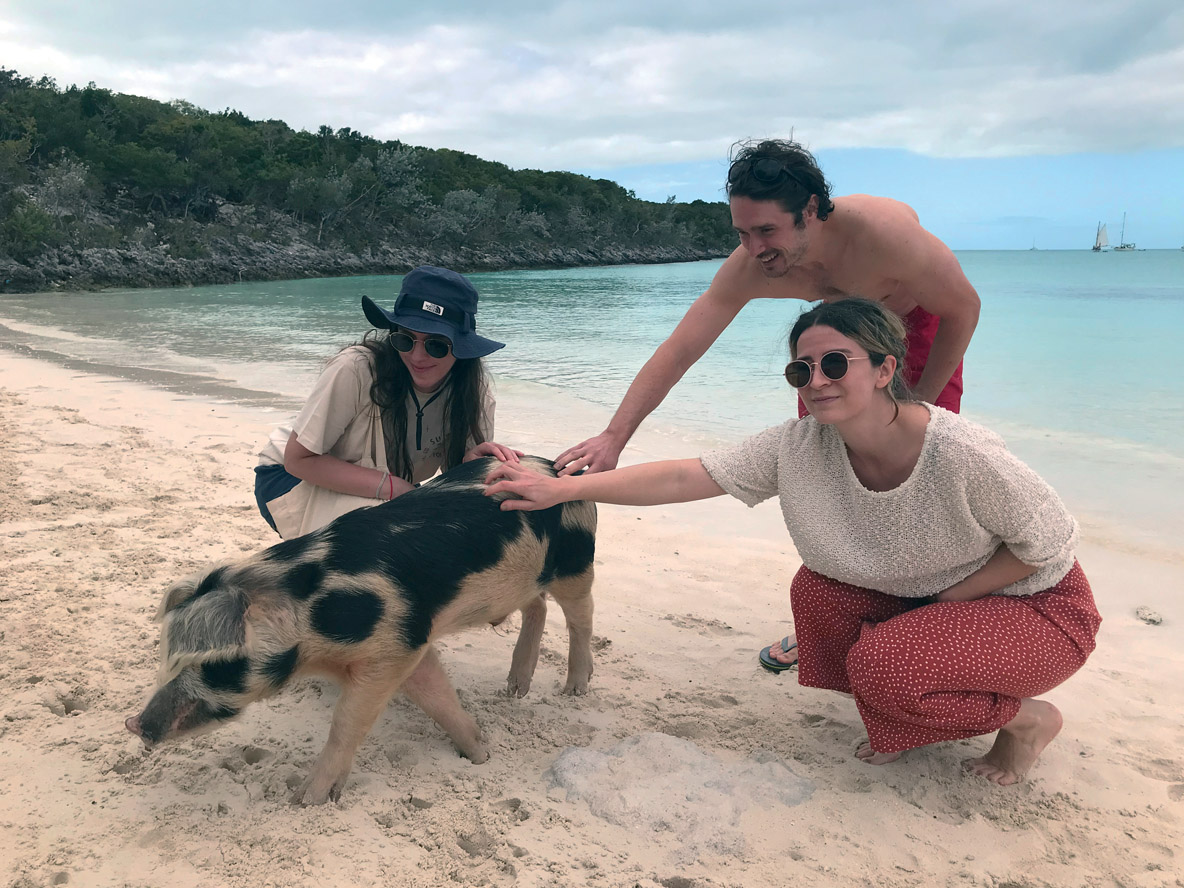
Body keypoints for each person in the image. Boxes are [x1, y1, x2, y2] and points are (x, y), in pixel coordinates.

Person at [488, 298, 1099, 786]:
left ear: (886, 368)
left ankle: (1027, 721)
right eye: (801, 370)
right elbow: (686, 475)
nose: (817, 380)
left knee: (887, 666)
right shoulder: (800, 447)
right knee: (817, 595)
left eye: (837, 363)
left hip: (1038, 607)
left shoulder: (961, 454)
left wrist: (949, 602)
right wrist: (564, 491)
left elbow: (1047, 544)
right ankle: (903, 720)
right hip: (934, 600)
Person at [555, 138, 982, 671]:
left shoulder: (885, 237)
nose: (755, 249)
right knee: (826, 477)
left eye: (766, 232)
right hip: (835, 341)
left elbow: (965, 307)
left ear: (809, 213)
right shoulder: (752, 266)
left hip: (916, 327)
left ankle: (932, 609)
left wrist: (920, 404)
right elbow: (681, 348)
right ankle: (837, 624)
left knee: (924, 473)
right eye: (742, 233)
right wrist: (615, 435)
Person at [255, 265, 522, 539]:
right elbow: (299, 459)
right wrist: (396, 488)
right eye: (405, 340)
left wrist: (469, 465)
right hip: (290, 477)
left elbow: (453, 488)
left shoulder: (474, 390)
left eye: (436, 345)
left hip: (389, 485)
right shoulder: (356, 368)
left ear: (462, 348)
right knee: (388, 541)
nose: (417, 357)